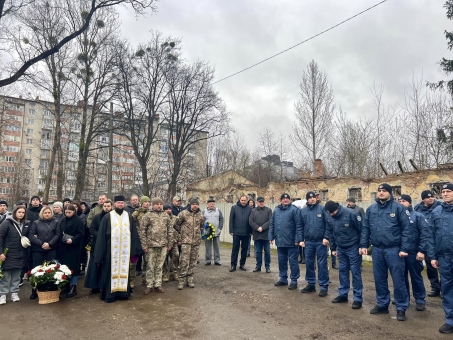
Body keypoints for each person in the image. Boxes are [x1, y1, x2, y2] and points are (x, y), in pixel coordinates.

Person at [359, 183, 412, 321]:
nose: (381, 193)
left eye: (384, 191)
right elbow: (365, 228)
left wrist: (404, 248)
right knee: (379, 279)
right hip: (377, 249)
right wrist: (363, 244)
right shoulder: (371, 209)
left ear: (390, 193)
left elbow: (407, 229)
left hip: (394, 250)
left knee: (398, 280)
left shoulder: (398, 208)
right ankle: (382, 304)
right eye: (379, 191)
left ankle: (401, 308)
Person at [93, 195, 142, 303]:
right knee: (109, 272)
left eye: (122, 203)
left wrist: (134, 252)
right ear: (114, 204)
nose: (120, 204)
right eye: (118, 203)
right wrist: (99, 255)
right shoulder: (108, 217)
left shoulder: (129, 217)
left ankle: (123, 294)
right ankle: (110, 295)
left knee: (124, 271)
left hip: (125, 251)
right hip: (110, 251)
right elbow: (101, 236)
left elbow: (133, 234)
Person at [324, 201, 363, 309]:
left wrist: (362, 245)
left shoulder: (351, 213)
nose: (332, 214)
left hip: (353, 247)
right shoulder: (330, 216)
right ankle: (343, 294)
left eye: (333, 212)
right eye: (330, 213)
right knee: (342, 271)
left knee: (355, 272)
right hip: (341, 248)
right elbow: (331, 232)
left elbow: (362, 230)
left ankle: (357, 298)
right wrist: (333, 248)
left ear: (337, 208)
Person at [398, 194, 430, 311]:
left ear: (410, 203)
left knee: (416, 277)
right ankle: (403, 298)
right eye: (399, 201)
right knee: (401, 277)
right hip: (400, 252)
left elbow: (425, 234)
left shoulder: (418, 216)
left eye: (404, 201)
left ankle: (420, 299)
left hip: (413, 252)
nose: (401, 203)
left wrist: (422, 250)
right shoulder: (396, 217)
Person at [429, 183, 453, 334]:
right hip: (444, 258)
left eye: (448, 191)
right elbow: (431, 236)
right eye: (443, 192)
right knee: (447, 289)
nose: (445, 194)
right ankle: (450, 320)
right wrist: (433, 256)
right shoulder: (436, 211)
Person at [138, 198, 171, 295]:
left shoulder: (165, 215)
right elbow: (142, 231)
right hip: (151, 245)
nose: (159, 205)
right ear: (153, 205)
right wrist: (144, 245)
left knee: (159, 266)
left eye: (161, 204)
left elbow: (170, 230)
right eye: (157, 204)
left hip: (163, 245)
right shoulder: (147, 215)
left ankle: (158, 284)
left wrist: (170, 243)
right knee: (150, 266)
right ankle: (149, 285)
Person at [300, 191, 330, 296]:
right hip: (308, 242)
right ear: (307, 199)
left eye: (314, 197)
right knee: (309, 263)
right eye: (310, 197)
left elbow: (328, 224)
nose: (312, 199)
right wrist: (301, 239)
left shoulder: (322, 209)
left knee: (322, 264)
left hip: (320, 242)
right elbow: (300, 226)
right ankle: (311, 284)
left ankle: (323, 286)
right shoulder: (303, 211)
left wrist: (326, 237)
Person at [269, 193, 302, 289]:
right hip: (280, 241)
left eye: (287, 198)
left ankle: (294, 280)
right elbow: (272, 224)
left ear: (290, 200)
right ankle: (283, 279)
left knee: (293, 262)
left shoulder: (294, 210)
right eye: (283, 199)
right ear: (281, 200)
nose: (285, 200)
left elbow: (298, 226)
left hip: (292, 242)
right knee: (281, 261)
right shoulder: (276, 210)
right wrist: (271, 236)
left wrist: (298, 239)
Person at [29, 206, 61, 299]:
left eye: (48, 212)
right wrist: (42, 243)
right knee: (37, 270)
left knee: (51, 269)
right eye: (45, 212)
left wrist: (50, 244)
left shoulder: (56, 222)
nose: (47, 214)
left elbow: (58, 234)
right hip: (38, 249)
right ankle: (35, 289)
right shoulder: (36, 223)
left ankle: (50, 288)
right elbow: (31, 235)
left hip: (52, 249)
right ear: (42, 213)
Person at [415, 190, 442, 297]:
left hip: (438, 241)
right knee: (431, 268)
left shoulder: (440, 207)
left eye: (432, 197)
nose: (431, 198)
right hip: (425, 242)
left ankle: (444, 288)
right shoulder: (418, 208)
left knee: (443, 267)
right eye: (428, 197)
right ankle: (435, 288)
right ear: (423, 199)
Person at [0, 206, 30, 304]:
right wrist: (1, 252)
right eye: (19, 212)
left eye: (23, 212)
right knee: (6, 275)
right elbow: (1, 238)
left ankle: (14, 293)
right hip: (8, 253)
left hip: (21, 253)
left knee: (17, 275)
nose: (21, 214)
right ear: (15, 212)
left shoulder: (26, 224)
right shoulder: (7, 223)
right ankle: (3, 294)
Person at [174, 198, 205, 290]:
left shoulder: (200, 215)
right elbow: (176, 225)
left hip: (196, 241)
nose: (195, 205)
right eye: (193, 204)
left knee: (193, 260)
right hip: (186, 241)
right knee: (184, 260)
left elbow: (202, 226)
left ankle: (190, 279)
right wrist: (183, 233)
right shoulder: (183, 213)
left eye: (196, 204)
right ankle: (181, 280)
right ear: (190, 204)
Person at [84, 200, 113, 295]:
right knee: (95, 265)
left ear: (111, 207)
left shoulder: (114, 218)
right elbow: (91, 229)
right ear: (102, 207)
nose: (107, 208)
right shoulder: (97, 217)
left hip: (110, 244)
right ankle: (95, 286)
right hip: (97, 244)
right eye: (105, 206)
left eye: (108, 206)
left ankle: (106, 285)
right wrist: (100, 236)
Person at [57, 204, 85, 298]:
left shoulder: (78, 221)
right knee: (64, 266)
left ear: (74, 212)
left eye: (70, 212)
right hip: (63, 246)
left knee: (73, 267)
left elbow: (81, 234)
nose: (68, 214)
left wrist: (73, 240)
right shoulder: (63, 219)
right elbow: (60, 231)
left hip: (74, 247)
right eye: (66, 212)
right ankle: (66, 285)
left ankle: (73, 286)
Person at [229, 195, 252, 272]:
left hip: (246, 233)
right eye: (242, 200)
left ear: (247, 201)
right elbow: (231, 220)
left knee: (244, 250)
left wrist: (251, 231)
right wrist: (231, 230)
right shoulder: (234, 208)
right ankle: (233, 265)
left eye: (244, 200)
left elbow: (251, 221)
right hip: (236, 233)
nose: (243, 202)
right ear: (240, 200)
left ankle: (242, 264)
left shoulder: (250, 209)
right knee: (235, 249)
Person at [249, 196, 272, 273]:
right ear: (257, 202)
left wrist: (262, 227)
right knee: (258, 252)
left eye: (262, 201)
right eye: (260, 202)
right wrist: (257, 228)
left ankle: (267, 267)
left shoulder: (268, 210)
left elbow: (270, 221)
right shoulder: (253, 211)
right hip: (257, 234)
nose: (261, 203)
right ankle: (258, 266)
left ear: (264, 202)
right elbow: (251, 221)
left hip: (266, 234)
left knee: (267, 251)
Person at [131, 196, 150, 285]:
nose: (147, 203)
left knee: (147, 260)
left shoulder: (150, 213)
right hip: (138, 240)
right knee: (134, 260)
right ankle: (132, 279)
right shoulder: (136, 213)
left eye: (148, 202)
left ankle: (145, 279)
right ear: (142, 203)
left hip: (147, 240)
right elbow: (130, 224)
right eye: (145, 202)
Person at [203, 198, 224, 266]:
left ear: (214, 204)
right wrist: (203, 229)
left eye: (212, 204)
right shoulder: (204, 211)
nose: (211, 205)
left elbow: (221, 219)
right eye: (210, 204)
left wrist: (220, 228)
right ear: (207, 204)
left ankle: (217, 260)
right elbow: (201, 221)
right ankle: (208, 260)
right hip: (207, 232)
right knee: (208, 246)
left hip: (216, 232)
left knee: (217, 246)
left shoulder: (218, 211)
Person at [162, 203, 180, 282]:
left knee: (176, 255)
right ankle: (165, 274)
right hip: (164, 242)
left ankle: (174, 273)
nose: (168, 210)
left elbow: (179, 229)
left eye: (169, 209)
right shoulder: (161, 218)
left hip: (174, 242)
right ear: (164, 210)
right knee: (163, 258)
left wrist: (179, 239)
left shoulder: (175, 218)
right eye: (167, 209)